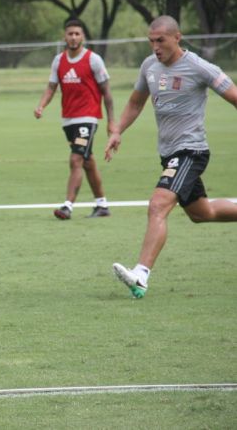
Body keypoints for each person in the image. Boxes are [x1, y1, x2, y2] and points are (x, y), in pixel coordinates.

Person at [105, 15, 237, 298]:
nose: (155, 47)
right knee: (202, 213)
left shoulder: (199, 67)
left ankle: (141, 275)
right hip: (168, 154)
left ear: (177, 37)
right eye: (151, 41)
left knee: (158, 205)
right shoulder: (149, 66)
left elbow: (234, 95)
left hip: (191, 151)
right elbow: (135, 102)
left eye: (160, 40)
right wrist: (118, 131)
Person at [34, 19, 117, 220]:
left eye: (77, 34)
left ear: (83, 37)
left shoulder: (93, 60)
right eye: (70, 34)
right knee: (87, 161)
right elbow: (52, 87)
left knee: (76, 158)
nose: (73, 37)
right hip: (69, 120)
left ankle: (67, 206)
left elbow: (107, 92)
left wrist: (111, 122)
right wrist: (41, 105)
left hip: (88, 118)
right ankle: (102, 205)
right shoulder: (58, 61)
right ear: (65, 36)